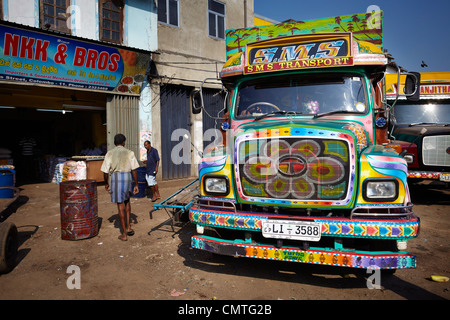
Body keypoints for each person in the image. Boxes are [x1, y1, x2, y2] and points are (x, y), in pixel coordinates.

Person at [100, 134, 139, 241]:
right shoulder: (129, 152)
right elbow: (134, 170)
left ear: (114, 143)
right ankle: (129, 227)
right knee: (127, 202)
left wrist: (106, 183)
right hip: (127, 177)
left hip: (116, 178)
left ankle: (124, 235)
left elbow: (105, 171)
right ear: (123, 142)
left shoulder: (109, 153)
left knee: (120, 205)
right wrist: (136, 184)